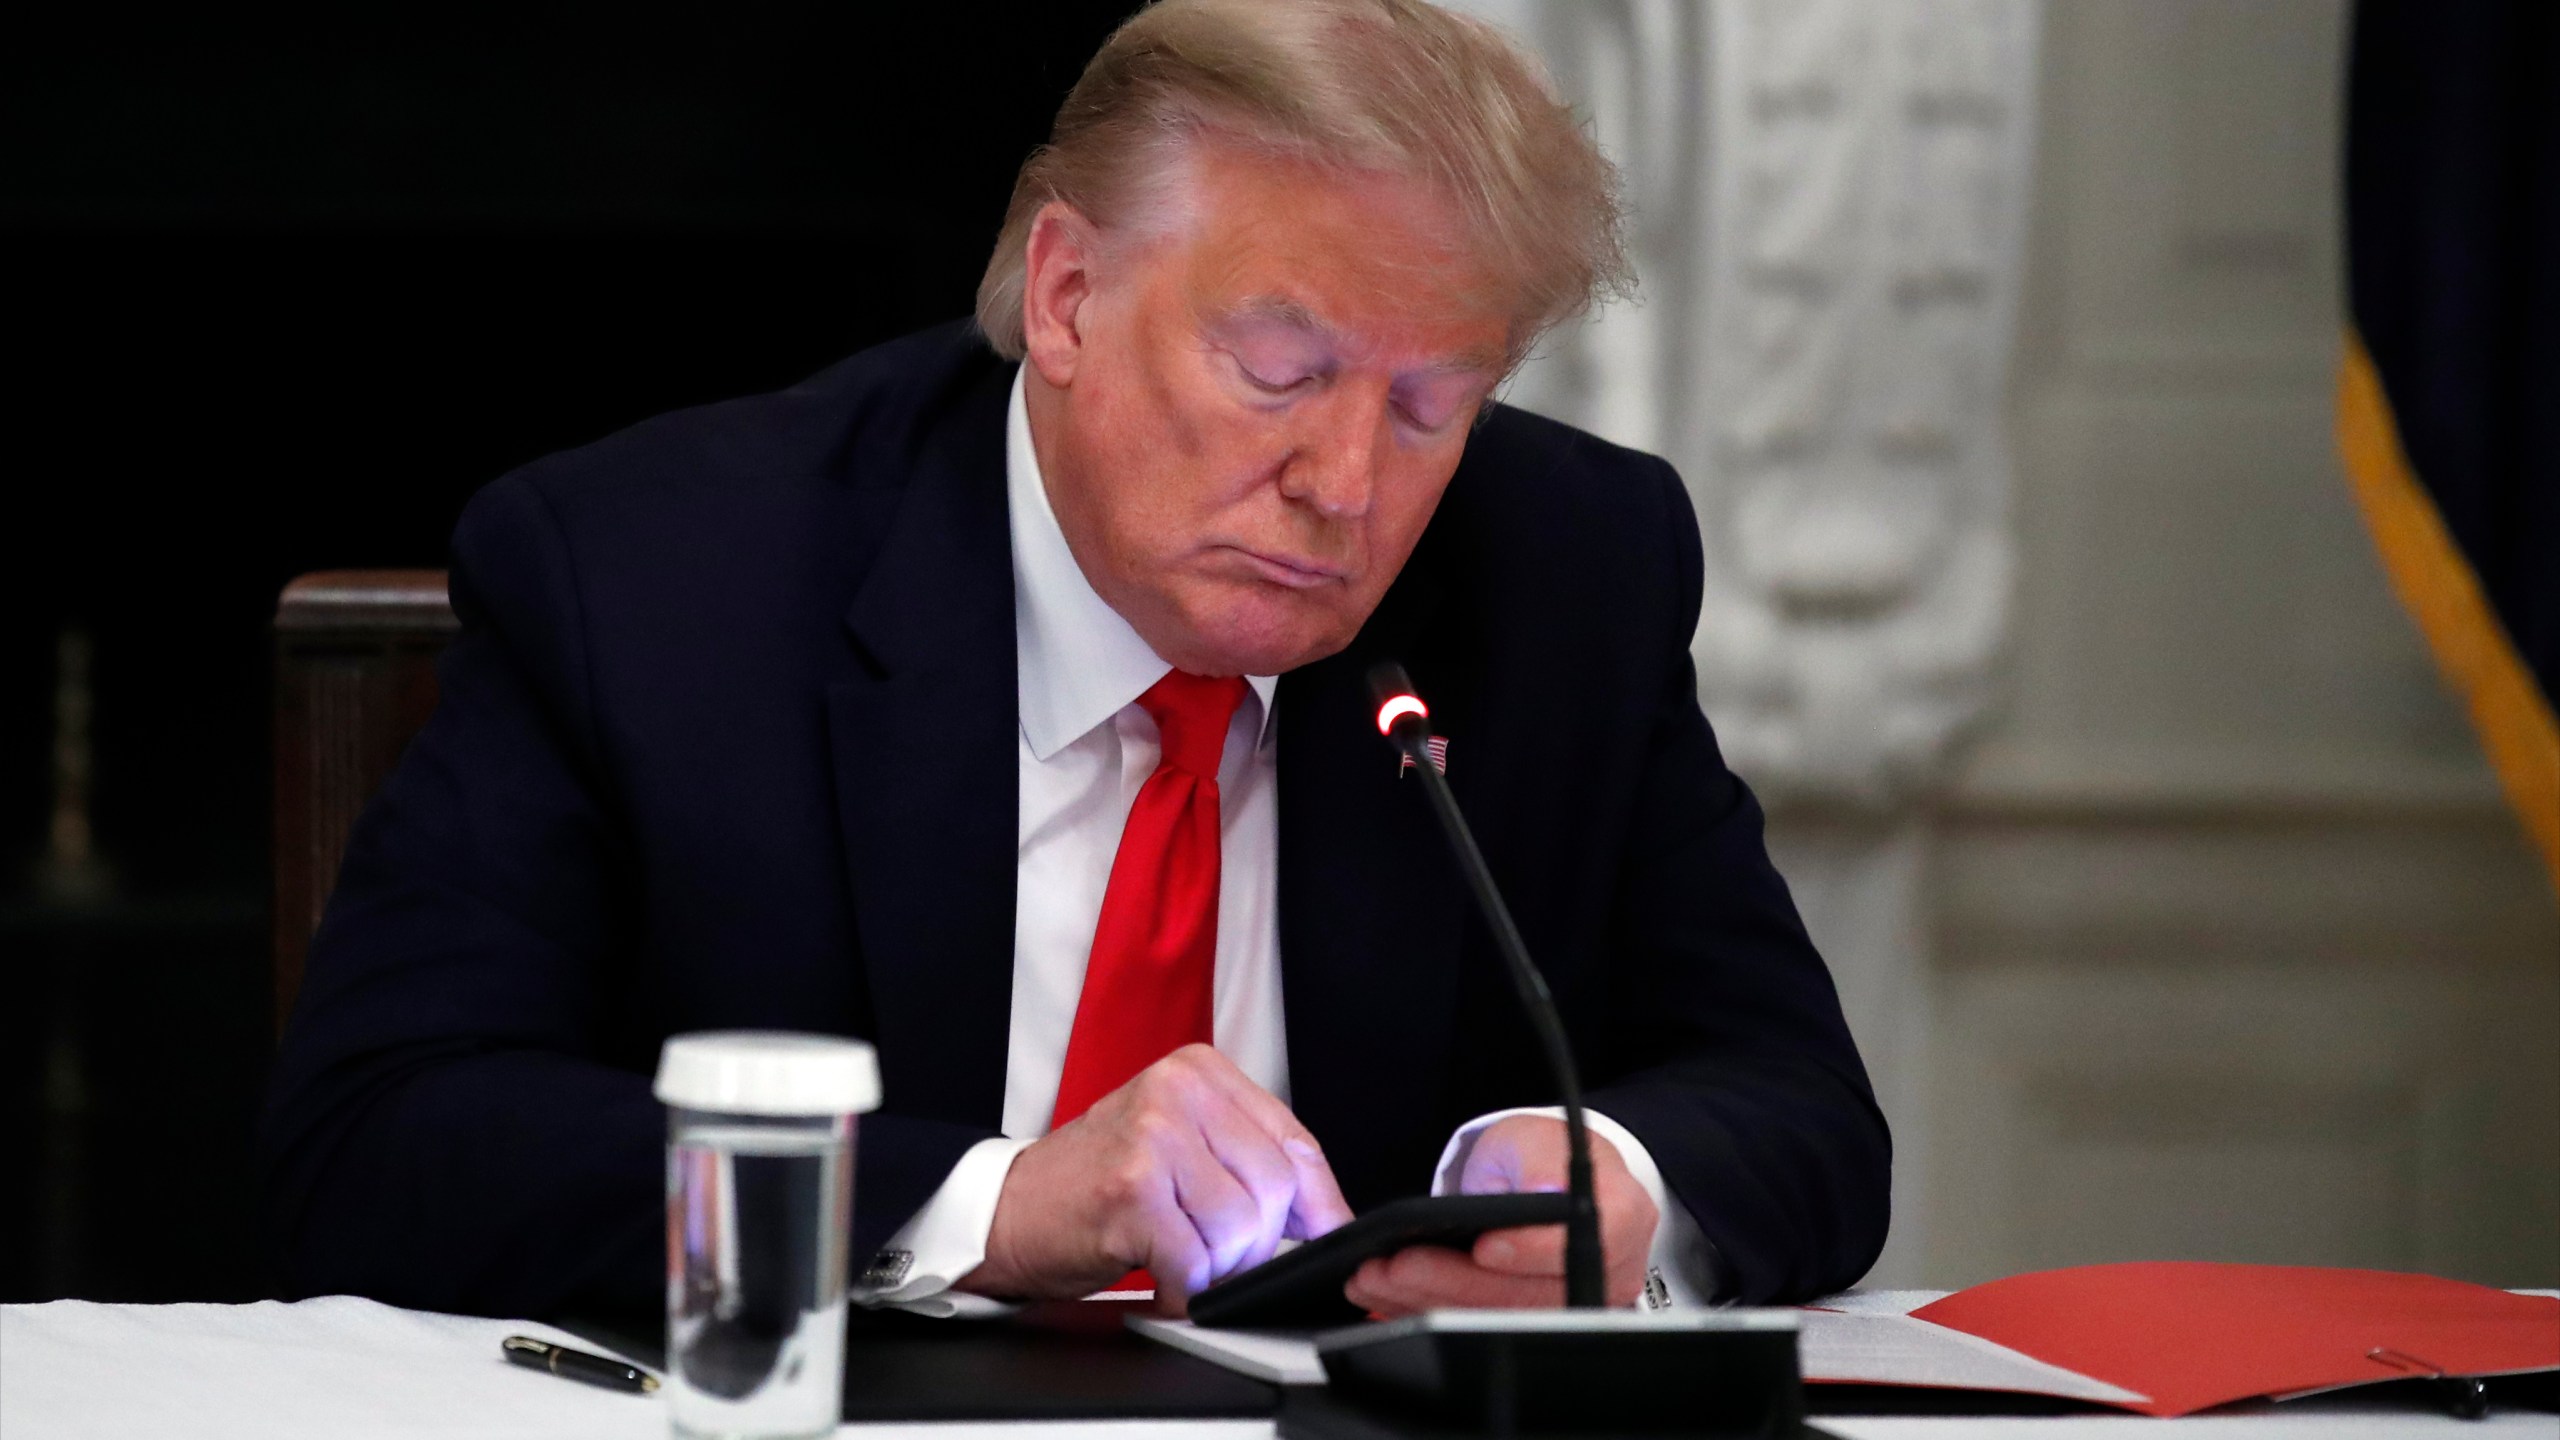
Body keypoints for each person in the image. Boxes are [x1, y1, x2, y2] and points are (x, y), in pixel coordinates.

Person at [260, 0, 1890, 1322]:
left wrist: (1616, 1177)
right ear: (1067, 294)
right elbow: (376, 1138)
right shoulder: (660, 579)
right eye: (1277, 368)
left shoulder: (1565, 575)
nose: (1346, 482)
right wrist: (991, 1202)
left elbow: (1802, 1111)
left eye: (1428, 404)